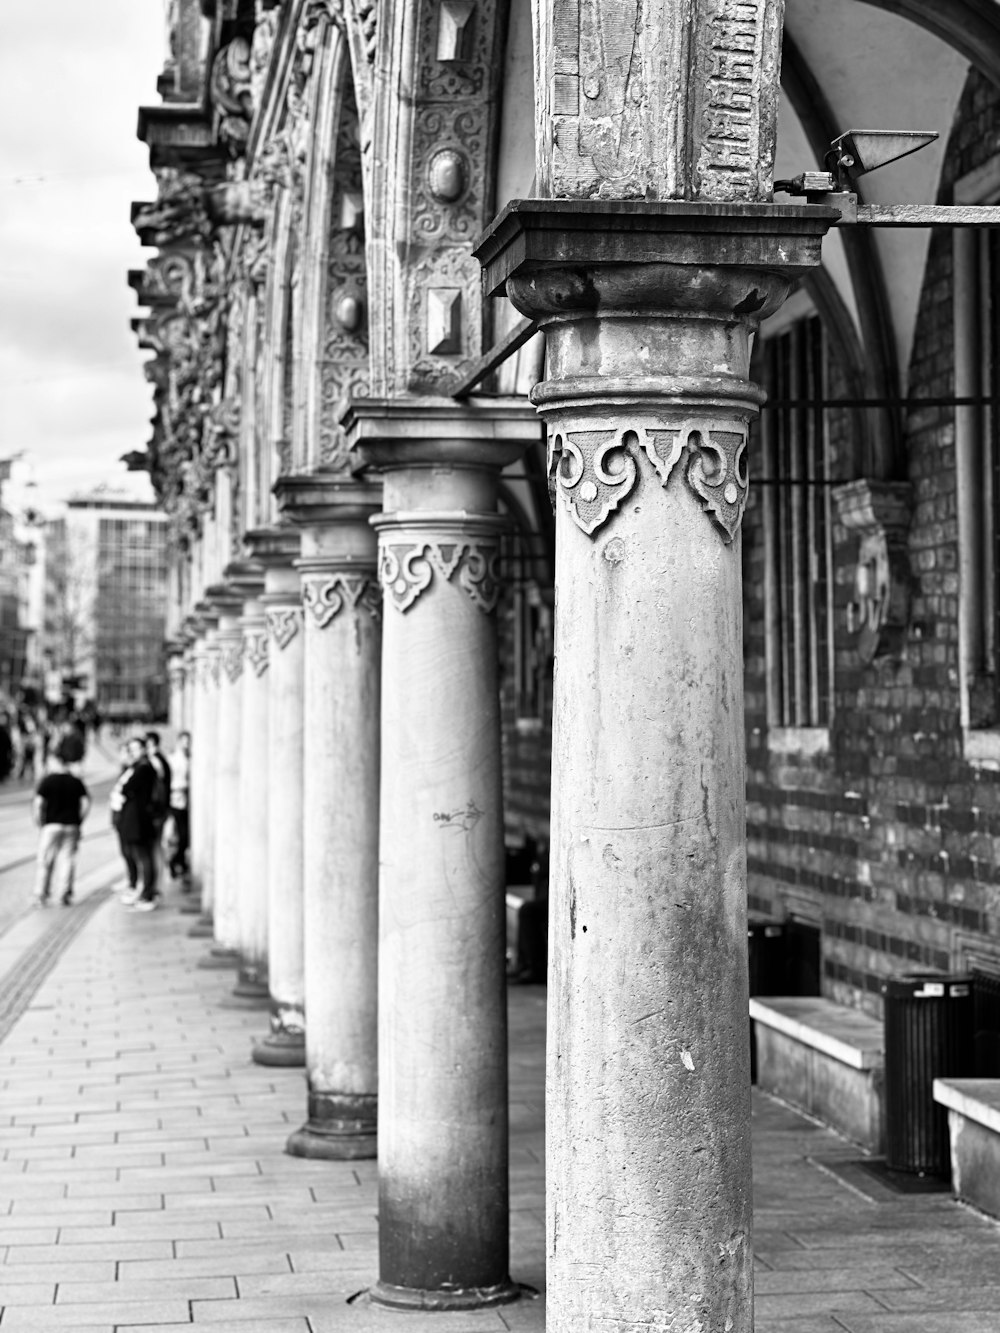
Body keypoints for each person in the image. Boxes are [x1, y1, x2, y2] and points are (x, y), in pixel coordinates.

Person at [33, 754, 91, 906]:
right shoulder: (76, 781)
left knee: (45, 860)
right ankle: (63, 893)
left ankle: (41, 893)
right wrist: (79, 820)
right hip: (72, 825)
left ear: (56, 763)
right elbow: (85, 803)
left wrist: (40, 823)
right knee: (67, 859)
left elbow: (38, 804)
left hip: (51, 825)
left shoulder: (47, 781)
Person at [114, 735, 159, 911]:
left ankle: (148, 893)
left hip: (140, 819)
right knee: (139, 855)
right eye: (130, 749)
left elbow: (126, 788)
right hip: (135, 818)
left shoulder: (144, 768)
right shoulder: (137, 767)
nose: (131, 753)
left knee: (144, 856)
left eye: (135, 749)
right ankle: (143, 890)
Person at [145, 730, 173, 896]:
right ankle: (156, 884)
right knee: (155, 848)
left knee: (154, 848)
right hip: (160, 811)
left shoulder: (155, 761)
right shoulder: (160, 760)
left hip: (157, 812)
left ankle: (155, 885)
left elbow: (159, 789)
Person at [166, 730, 191, 882]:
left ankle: (179, 861)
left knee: (183, 835)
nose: (186, 745)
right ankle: (175, 860)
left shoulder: (189, 758)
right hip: (176, 798)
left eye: (188, 742)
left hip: (185, 799)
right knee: (180, 835)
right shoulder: (174, 759)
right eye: (184, 741)